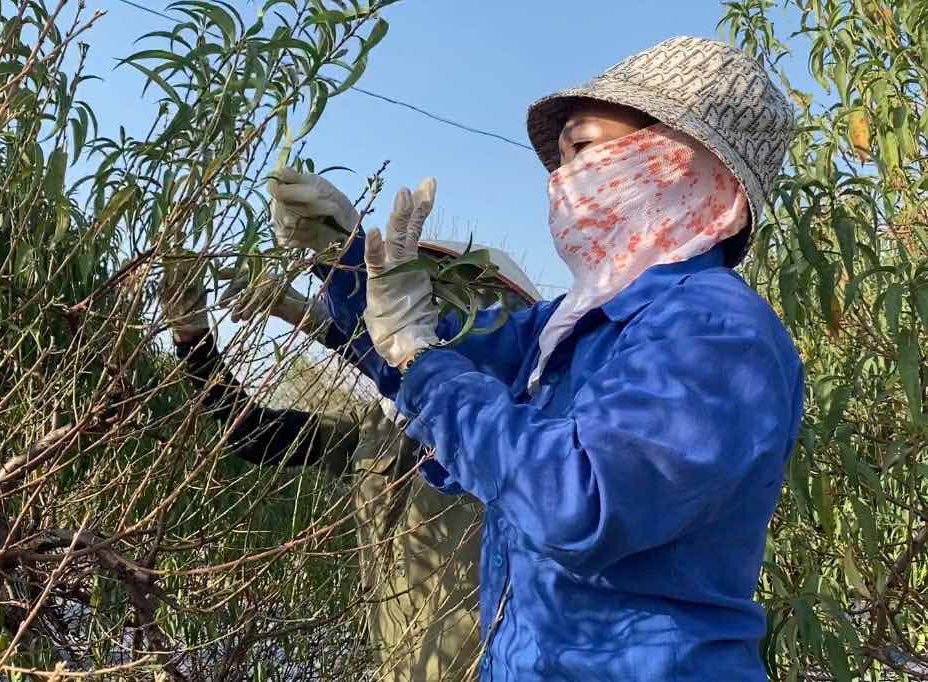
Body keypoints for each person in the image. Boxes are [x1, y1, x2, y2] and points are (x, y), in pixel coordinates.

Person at [267, 37, 804, 681]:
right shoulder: (573, 323)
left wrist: (422, 360)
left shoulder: (715, 331)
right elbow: (444, 360)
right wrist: (348, 264)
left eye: (583, 148)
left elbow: (579, 502)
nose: (562, 177)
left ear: (677, 161)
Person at [158, 242, 539, 681]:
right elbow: (253, 435)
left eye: (464, 306)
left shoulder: (530, 446)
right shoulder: (379, 431)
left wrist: (318, 322)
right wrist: (193, 339)